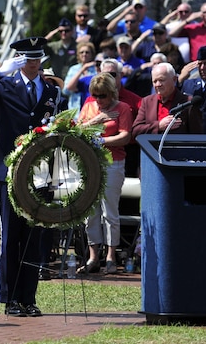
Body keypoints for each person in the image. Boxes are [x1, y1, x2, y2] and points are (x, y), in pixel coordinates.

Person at [0, 37, 60, 317]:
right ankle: (10, 298)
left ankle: (28, 298)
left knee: (33, 236)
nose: (33, 64)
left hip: (39, 171)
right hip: (9, 170)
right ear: (19, 59)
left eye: (36, 59)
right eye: (27, 59)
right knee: (11, 236)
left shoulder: (51, 91)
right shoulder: (5, 84)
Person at [77, 73, 132, 274]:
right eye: (95, 95)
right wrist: (97, 120)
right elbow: (77, 130)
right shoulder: (89, 106)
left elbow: (125, 136)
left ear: (111, 93)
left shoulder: (123, 108)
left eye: (102, 96)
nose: (98, 100)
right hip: (90, 163)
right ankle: (93, 256)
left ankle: (110, 256)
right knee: (90, 211)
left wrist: (103, 142)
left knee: (110, 211)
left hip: (113, 162)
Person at [131, 62, 202, 138]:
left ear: (174, 80)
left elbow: (197, 135)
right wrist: (158, 126)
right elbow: (136, 131)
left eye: (161, 80)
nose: (158, 84)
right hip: (151, 149)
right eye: (155, 81)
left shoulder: (188, 102)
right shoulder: (147, 101)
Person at [64, 41, 99, 111]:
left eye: (87, 52)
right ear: (78, 55)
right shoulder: (73, 69)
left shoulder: (96, 69)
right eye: (81, 52)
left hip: (93, 108)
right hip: (75, 110)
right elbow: (66, 90)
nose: (84, 54)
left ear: (92, 54)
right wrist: (82, 69)